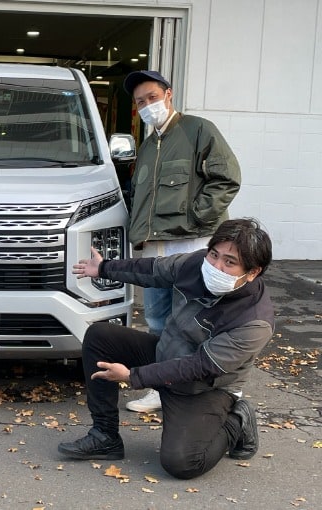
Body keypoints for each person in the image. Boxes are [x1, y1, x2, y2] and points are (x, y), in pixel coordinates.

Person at [57, 218, 274, 479]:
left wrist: (133, 377)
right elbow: (153, 270)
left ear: (252, 272)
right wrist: (103, 268)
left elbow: (200, 366)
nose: (215, 266)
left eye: (229, 262)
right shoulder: (196, 265)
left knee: (182, 463)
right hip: (166, 354)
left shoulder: (254, 321)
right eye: (214, 254)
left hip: (205, 386)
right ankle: (105, 436)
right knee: (100, 336)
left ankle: (236, 421)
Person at [123, 70, 242, 413]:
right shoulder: (147, 147)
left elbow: (227, 178)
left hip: (191, 245)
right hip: (156, 248)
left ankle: (199, 389)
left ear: (168, 94)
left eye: (152, 98)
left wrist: (196, 220)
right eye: (140, 102)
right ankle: (161, 388)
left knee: (190, 318)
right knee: (158, 317)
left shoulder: (197, 130)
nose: (147, 106)